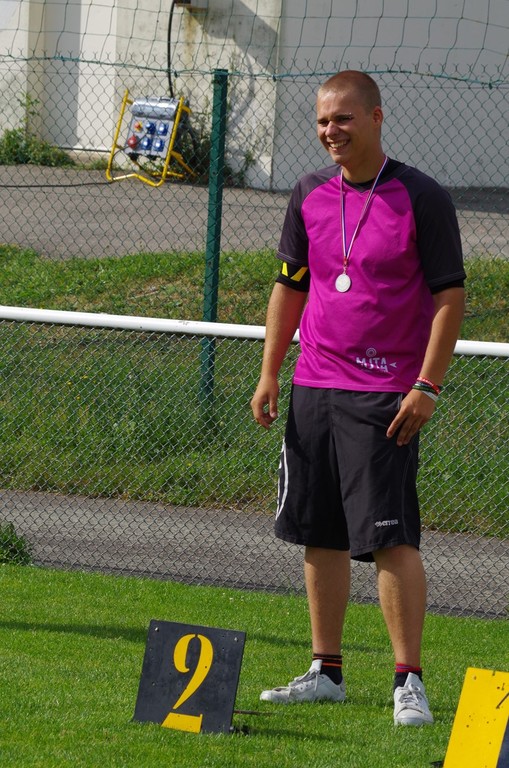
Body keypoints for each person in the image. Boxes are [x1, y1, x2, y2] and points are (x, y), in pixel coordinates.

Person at [250, 70, 465, 726]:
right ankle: (327, 671)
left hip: (383, 396)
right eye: (321, 121)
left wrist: (427, 384)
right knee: (319, 534)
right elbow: (290, 286)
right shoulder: (308, 192)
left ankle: (408, 681)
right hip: (314, 387)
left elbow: (449, 297)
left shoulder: (421, 196)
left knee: (389, 538)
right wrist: (270, 372)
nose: (330, 131)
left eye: (342, 118)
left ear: (375, 117)